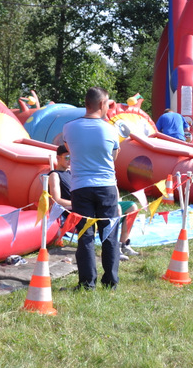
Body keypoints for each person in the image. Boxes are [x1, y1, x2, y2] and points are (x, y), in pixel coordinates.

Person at [62, 87, 121, 290]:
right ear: (102, 104)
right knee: (109, 234)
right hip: (106, 186)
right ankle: (110, 282)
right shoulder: (111, 129)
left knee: (85, 235)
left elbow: (69, 150)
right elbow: (114, 157)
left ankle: (87, 283)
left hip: (80, 187)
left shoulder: (69, 127)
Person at [48, 144, 139, 260]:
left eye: (73, 157)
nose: (70, 160)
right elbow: (57, 201)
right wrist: (80, 203)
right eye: (67, 157)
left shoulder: (75, 172)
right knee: (116, 209)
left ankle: (123, 244)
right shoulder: (55, 175)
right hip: (79, 210)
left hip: (92, 203)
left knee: (132, 207)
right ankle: (114, 248)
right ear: (58, 158)